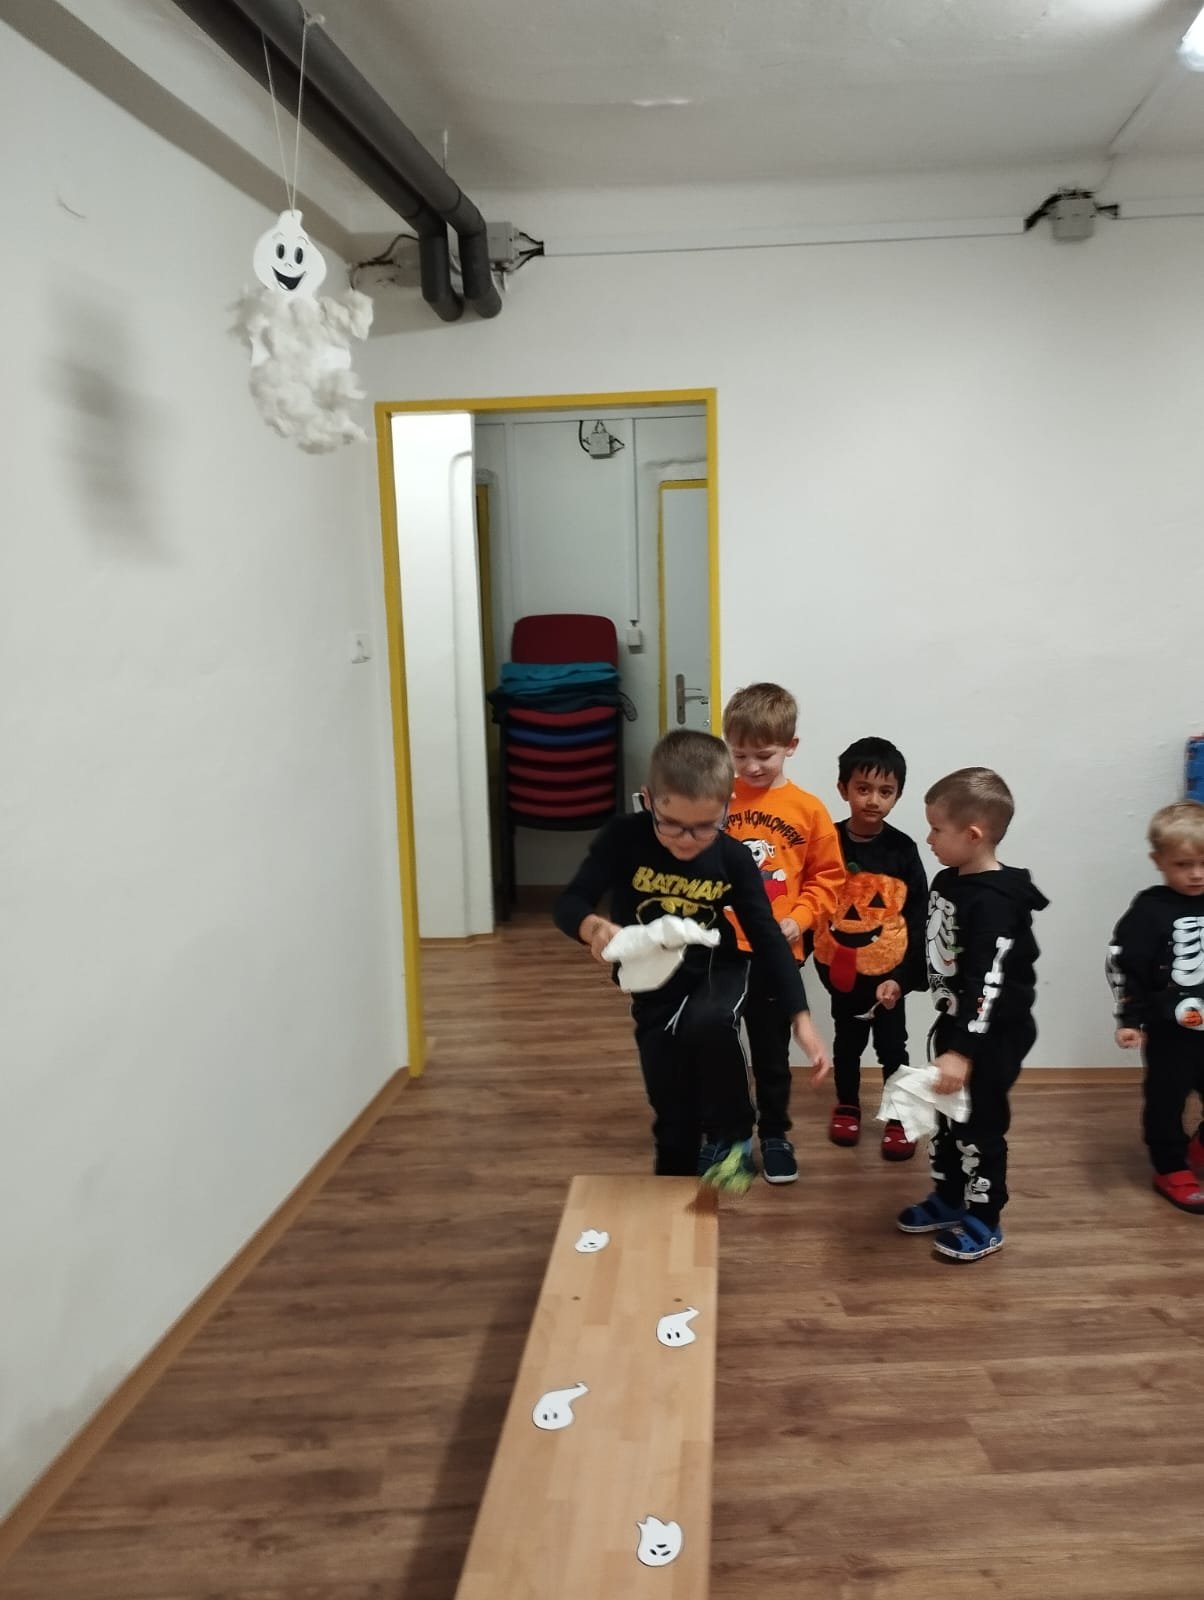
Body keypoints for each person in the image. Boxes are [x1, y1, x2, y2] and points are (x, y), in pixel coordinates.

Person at [555, 728, 829, 1187]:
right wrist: (592, 928)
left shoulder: (733, 858)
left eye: (705, 826)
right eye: (672, 824)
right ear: (649, 800)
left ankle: (734, 1133)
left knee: (709, 1021)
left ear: (726, 807)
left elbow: (766, 938)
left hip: (717, 968)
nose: (687, 840)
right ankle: (675, 1185)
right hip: (652, 982)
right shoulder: (623, 838)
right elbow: (570, 901)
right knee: (670, 1110)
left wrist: (800, 1017)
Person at [896, 768, 1048, 1262]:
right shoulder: (948, 881)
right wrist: (902, 979)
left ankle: (985, 1217)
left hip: (994, 1035)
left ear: (973, 834)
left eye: (936, 829)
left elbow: (989, 982)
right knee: (946, 1119)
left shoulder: (997, 904)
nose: (929, 838)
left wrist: (963, 1051)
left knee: (978, 1124)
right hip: (956, 1027)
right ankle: (948, 1198)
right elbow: (936, 949)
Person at [722, 684, 843, 1183]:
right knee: (721, 1052)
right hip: (720, 951)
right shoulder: (716, 800)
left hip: (776, 953)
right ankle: (729, 1135)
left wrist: (803, 916)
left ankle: (774, 1134)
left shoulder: (809, 810)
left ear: (791, 746)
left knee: (771, 1055)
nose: (751, 766)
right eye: (740, 754)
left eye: (764, 755)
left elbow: (829, 879)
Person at [813, 737, 928, 1159]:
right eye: (863, 788)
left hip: (889, 980)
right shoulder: (826, 842)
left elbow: (917, 917)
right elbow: (815, 905)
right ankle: (847, 1105)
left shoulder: (903, 850)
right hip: (843, 974)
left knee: (894, 1048)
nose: (873, 800)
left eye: (885, 791)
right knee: (847, 1044)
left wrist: (901, 978)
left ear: (898, 794)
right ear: (843, 788)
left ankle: (899, 1115)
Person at [1108, 800, 1204, 1213]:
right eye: (1183, 864)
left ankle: (1198, 1147)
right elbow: (1127, 966)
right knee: (1166, 1100)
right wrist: (1130, 1019)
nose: (1197, 874)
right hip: (1170, 1031)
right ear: (1158, 861)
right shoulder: (1150, 909)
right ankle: (1170, 1166)